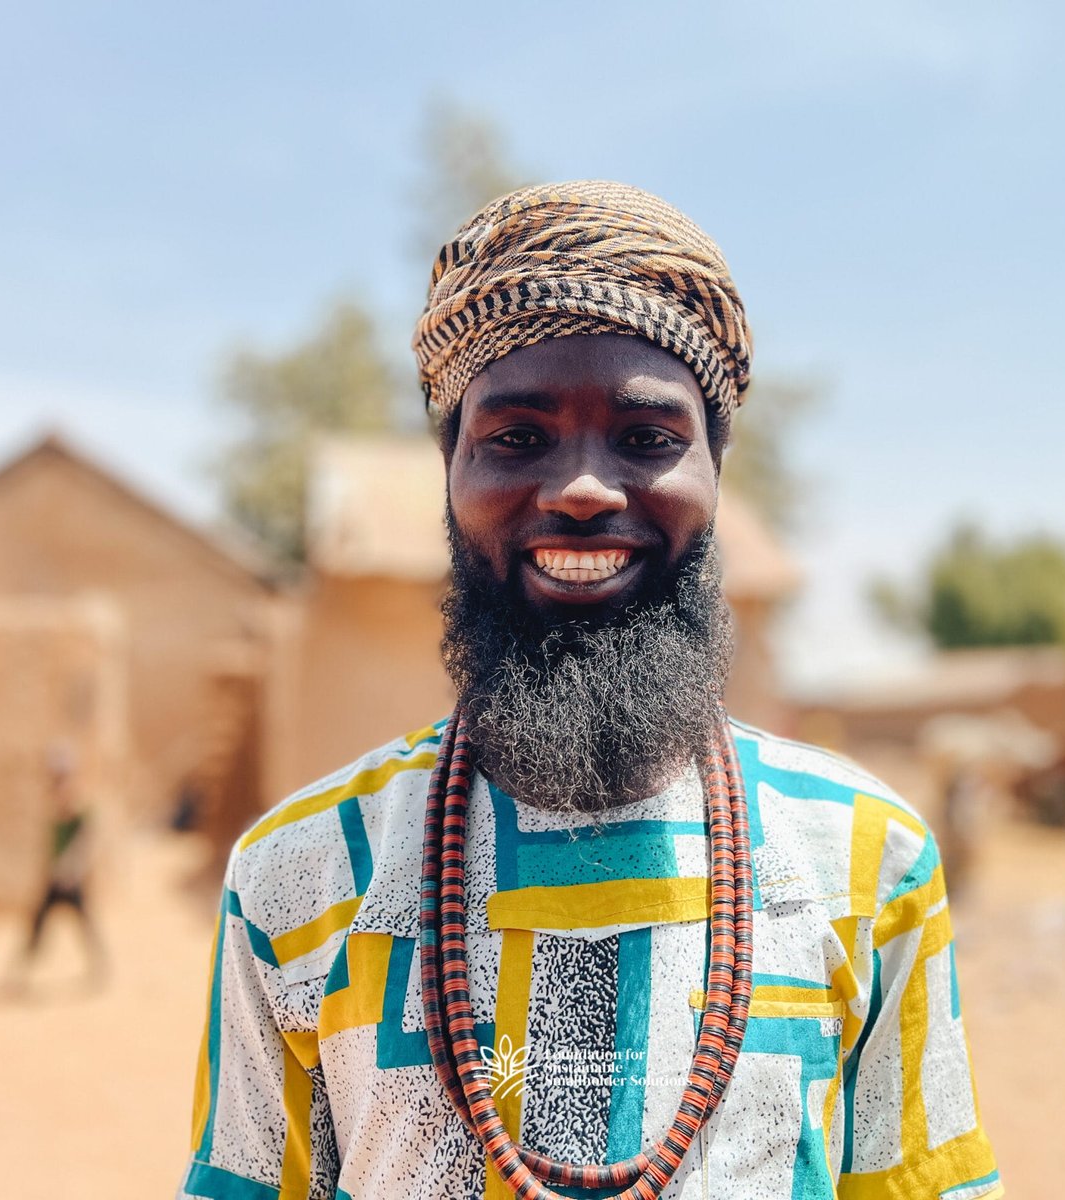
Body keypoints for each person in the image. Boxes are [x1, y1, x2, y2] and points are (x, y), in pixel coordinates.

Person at [180, 182, 1002, 1200]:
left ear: (714, 475)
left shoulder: (866, 863)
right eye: (516, 439)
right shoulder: (297, 879)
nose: (581, 489)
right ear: (450, 476)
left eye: (648, 439)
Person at [5, 739, 106, 992]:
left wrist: (74, 867)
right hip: (56, 876)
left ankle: (98, 970)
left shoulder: (75, 800)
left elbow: (85, 837)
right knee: (41, 922)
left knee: (83, 923)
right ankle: (22, 973)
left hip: (70, 877)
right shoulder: (57, 799)